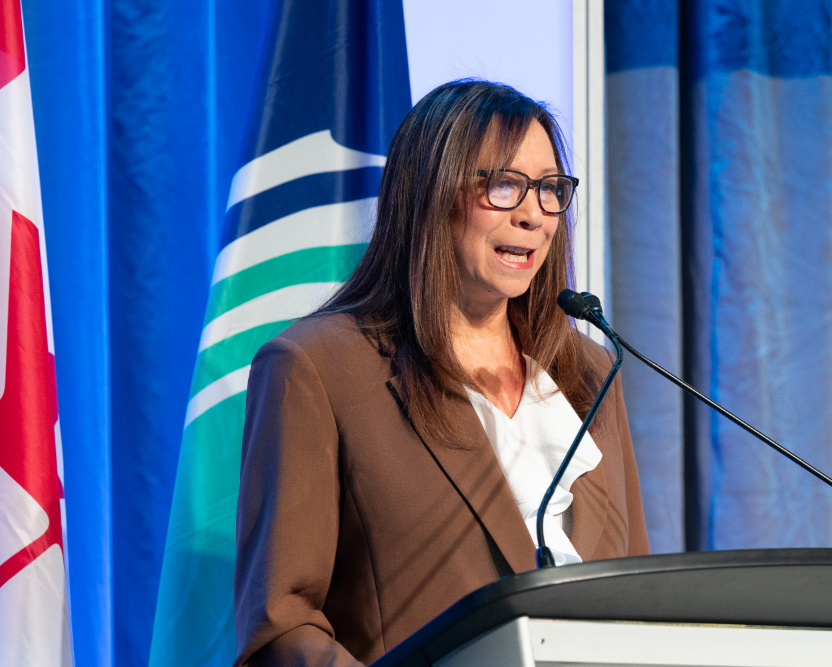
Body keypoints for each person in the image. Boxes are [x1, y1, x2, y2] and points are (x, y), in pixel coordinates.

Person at [233, 80, 649, 667]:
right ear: (429, 194)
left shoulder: (590, 370)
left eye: (550, 189)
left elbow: (640, 594)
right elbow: (282, 627)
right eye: (504, 185)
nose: (534, 215)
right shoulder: (318, 368)